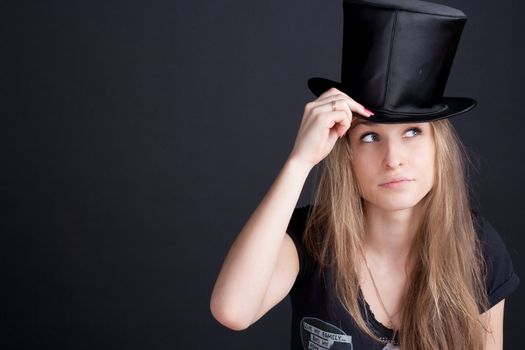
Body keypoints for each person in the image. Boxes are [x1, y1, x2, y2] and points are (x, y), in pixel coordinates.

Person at [210, 0, 520, 349]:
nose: (393, 159)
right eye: (370, 137)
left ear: (439, 146)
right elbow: (233, 310)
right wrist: (299, 162)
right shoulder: (311, 240)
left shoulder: (477, 248)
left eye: (412, 132)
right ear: (347, 154)